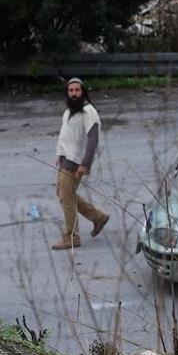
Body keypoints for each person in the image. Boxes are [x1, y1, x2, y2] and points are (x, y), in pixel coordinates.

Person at [53, 78, 110, 250]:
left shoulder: (89, 112)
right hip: (65, 160)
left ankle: (72, 237)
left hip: (76, 162)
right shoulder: (69, 111)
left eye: (77, 90)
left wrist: (85, 164)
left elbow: (93, 141)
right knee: (64, 194)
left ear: (83, 92)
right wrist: (60, 155)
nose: (74, 94)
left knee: (66, 197)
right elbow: (65, 136)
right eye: (71, 91)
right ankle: (98, 217)